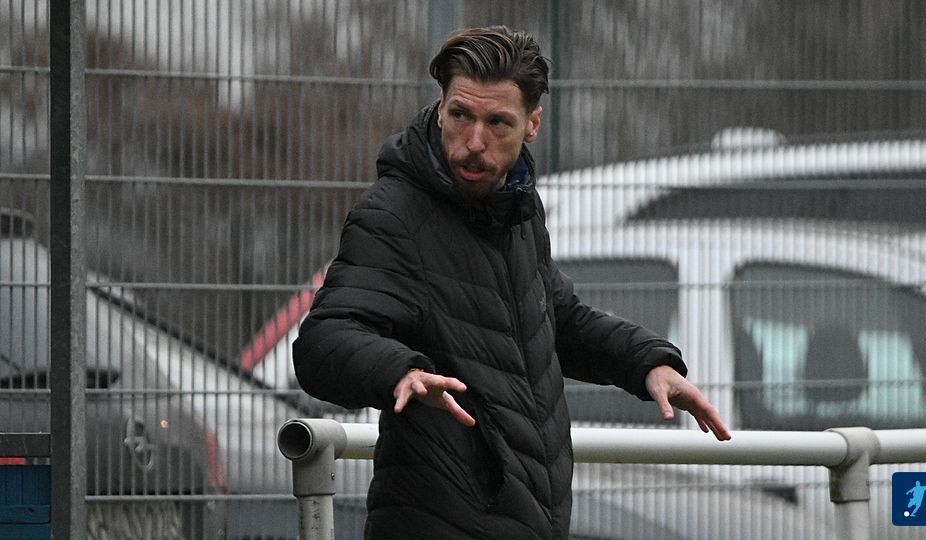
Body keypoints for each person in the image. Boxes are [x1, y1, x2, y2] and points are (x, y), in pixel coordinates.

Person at [292, 25, 731, 539]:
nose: (474, 142)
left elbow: (557, 321)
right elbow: (323, 341)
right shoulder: (395, 214)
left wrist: (648, 362)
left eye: (497, 122)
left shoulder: (517, 208)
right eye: (461, 115)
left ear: (532, 125)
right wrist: (399, 370)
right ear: (441, 110)